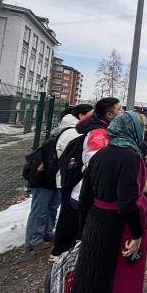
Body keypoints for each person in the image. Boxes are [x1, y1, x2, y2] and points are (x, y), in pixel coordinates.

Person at [67, 111, 147, 293]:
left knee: (91, 276)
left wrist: (82, 230)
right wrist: (137, 234)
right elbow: (127, 201)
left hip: (95, 221)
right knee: (117, 279)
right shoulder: (130, 156)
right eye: (142, 129)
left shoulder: (101, 154)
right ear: (133, 130)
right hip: (117, 226)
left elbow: (85, 198)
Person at [50, 104, 93, 260]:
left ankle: (64, 248)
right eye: (91, 114)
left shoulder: (75, 130)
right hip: (71, 180)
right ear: (81, 116)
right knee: (68, 216)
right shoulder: (73, 132)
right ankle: (60, 251)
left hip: (72, 179)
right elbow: (71, 159)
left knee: (69, 215)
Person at [70, 97, 122, 208]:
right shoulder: (99, 134)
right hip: (88, 195)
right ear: (109, 114)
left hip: (91, 192)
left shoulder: (104, 130)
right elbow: (97, 166)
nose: (122, 112)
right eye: (119, 109)